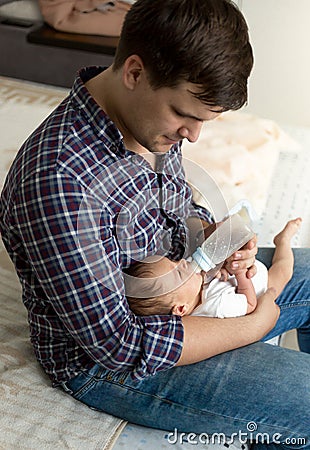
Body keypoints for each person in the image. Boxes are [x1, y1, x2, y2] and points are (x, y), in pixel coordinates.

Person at [0, 0, 309, 448]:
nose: (194, 135)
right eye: (186, 115)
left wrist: (215, 239)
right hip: (114, 363)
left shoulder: (147, 123)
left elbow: (178, 208)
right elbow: (119, 345)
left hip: (191, 287)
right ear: (134, 73)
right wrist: (251, 327)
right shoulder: (60, 183)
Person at [125, 219, 302, 319]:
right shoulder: (217, 307)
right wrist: (240, 274)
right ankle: (283, 240)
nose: (181, 263)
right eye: (177, 272)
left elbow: (208, 272)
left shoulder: (191, 285)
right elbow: (250, 304)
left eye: (173, 261)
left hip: (245, 269)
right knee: (284, 271)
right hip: (261, 285)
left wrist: (218, 267)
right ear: (181, 309)